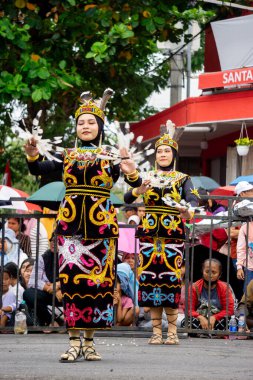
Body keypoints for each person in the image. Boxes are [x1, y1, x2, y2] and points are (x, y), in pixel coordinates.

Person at [24, 89, 138, 362]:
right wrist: (31, 155)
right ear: (76, 128)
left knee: (98, 286)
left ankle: (90, 342)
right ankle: (73, 342)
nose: (85, 126)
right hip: (70, 229)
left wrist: (131, 170)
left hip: (101, 230)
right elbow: (40, 168)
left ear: (100, 127)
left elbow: (133, 185)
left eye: (91, 122)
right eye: (80, 123)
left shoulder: (111, 155)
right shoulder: (67, 154)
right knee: (73, 285)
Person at [124, 128, 199, 345]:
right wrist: (139, 190)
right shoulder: (146, 177)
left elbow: (193, 201)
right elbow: (128, 196)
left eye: (167, 151)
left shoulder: (183, 178)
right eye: (160, 151)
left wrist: (188, 210)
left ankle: (173, 331)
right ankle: (157, 332)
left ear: (174, 155)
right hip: (148, 237)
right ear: (155, 155)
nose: (163, 154)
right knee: (149, 283)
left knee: (170, 282)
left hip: (172, 236)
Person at [23, 235, 63, 328]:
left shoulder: (69, 257)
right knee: (28, 294)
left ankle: (70, 324)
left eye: (57, 241)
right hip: (50, 293)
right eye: (52, 240)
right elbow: (33, 281)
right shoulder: (43, 258)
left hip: (67, 292)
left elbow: (72, 277)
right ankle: (52, 321)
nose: (54, 243)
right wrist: (50, 288)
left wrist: (58, 285)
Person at [184, 259, 234, 332]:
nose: (210, 275)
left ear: (219, 275)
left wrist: (215, 317)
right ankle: (211, 332)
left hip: (218, 320)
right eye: (207, 272)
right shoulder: (194, 287)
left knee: (233, 321)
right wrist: (200, 317)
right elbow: (189, 309)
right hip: (199, 320)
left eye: (214, 272)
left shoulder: (224, 287)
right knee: (185, 322)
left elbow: (229, 310)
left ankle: (209, 332)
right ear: (202, 271)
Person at [237, 221, 253, 291]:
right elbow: (241, 249)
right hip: (250, 268)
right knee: (247, 296)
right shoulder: (245, 228)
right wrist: (239, 267)